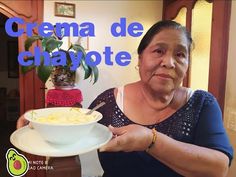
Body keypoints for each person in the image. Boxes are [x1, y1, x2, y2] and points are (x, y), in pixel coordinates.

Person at [17, 20, 233, 177]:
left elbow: (219, 167)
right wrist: (41, 125)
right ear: (140, 58)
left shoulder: (202, 103)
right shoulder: (109, 102)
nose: (169, 62)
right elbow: (75, 131)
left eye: (180, 54)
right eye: (159, 51)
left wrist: (151, 140)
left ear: (186, 65)